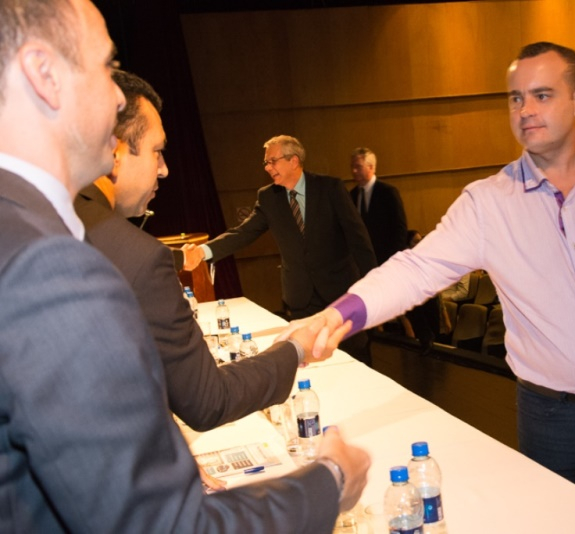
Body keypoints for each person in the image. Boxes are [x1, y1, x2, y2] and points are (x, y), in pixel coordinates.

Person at [280, 42, 575, 533]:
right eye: (516, 98)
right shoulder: (487, 204)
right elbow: (415, 269)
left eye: (542, 95)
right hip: (554, 419)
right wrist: (339, 314)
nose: (525, 110)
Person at [0, 1, 369, 531]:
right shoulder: (52, 266)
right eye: (106, 66)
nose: (118, 96)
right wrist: (330, 481)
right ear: (43, 74)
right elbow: (163, 524)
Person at [75, 69, 335, 431]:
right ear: (114, 149)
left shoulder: (48, 215)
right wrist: (294, 349)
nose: (164, 170)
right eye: (157, 152)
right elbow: (208, 399)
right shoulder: (136, 255)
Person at [184, 135, 377, 364]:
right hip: (301, 299)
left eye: (272, 161)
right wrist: (203, 252)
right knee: (311, 363)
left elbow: (358, 239)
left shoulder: (329, 188)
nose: (267, 168)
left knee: (356, 361)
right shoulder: (268, 197)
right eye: (266, 163)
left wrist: (373, 287)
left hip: (340, 293)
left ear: (293, 161)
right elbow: (243, 233)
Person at [349, 147, 408, 265]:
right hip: (362, 261)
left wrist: (395, 259)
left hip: (387, 259)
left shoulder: (388, 192)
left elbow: (400, 228)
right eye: (352, 167)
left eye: (358, 167)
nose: (354, 171)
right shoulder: (351, 195)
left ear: (371, 167)